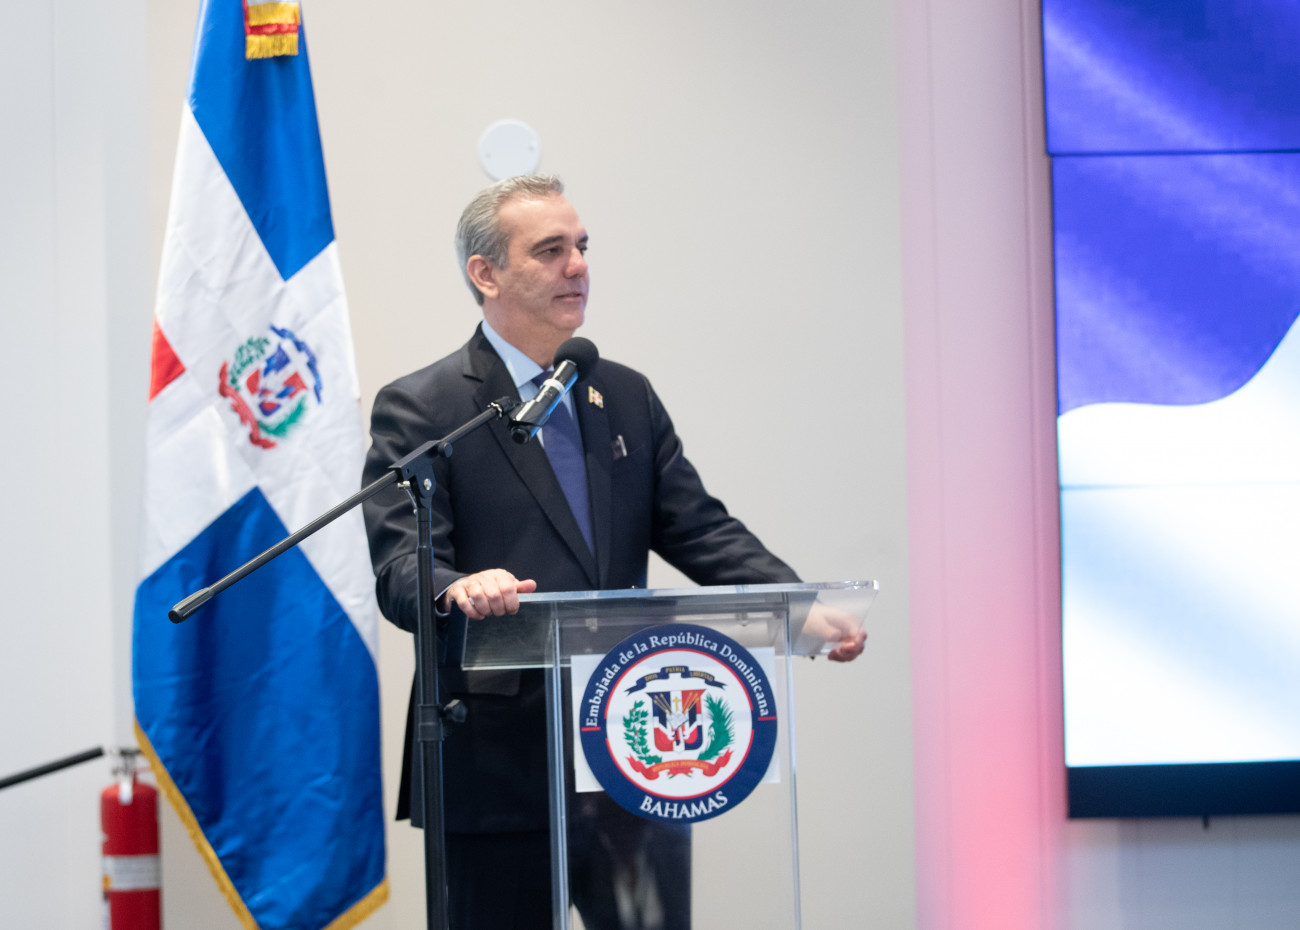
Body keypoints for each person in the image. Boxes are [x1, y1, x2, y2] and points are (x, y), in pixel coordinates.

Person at [361, 174, 865, 929]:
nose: (578, 266)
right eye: (550, 250)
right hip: (500, 763)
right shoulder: (426, 407)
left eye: (582, 246)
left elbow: (698, 528)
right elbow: (403, 567)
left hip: (636, 748)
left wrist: (797, 605)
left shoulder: (623, 395)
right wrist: (457, 587)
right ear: (486, 273)